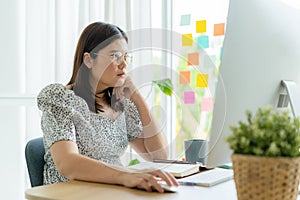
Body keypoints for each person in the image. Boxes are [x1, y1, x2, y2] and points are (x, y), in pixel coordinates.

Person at [37, 21, 179, 193]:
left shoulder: (121, 105)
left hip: (111, 192)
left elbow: (159, 156)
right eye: (115, 56)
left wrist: (137, 97)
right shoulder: (60, 99)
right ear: (89, 60)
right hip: (69, 194)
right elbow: (68, 163)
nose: (124, 64)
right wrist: (125, 174)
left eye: (126, 57)